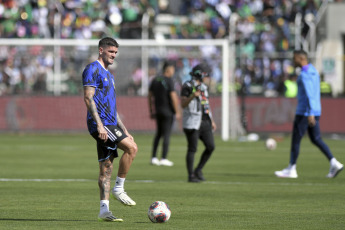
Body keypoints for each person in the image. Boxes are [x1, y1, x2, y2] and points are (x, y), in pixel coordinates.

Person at [82, 37, 138, 222]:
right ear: (101, 50)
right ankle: (119, 188)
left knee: (106, 168)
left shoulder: (109, 75)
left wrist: (125, 130)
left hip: (111, 123)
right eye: (111, 52)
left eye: (115, 52)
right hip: (102, 124)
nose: (114, 55)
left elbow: (112, 108)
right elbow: (88, 98)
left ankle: (104, 211)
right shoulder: (92, 69)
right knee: (132, 148)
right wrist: (99, 125)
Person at [275, 50, 343, 179]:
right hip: (316, 110)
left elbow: (309, 94)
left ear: (301, 59)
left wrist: (310, 113)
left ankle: (292, 168)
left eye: (294, 58)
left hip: (305, 111)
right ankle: (334, 162)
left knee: (296, 139)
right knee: (316, 139)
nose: (293, 61)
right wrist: (313, 111)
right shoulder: (314, 71)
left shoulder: (305, 74)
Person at [181, 63, 216, 182]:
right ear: (200, 75)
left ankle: (198, 169)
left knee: (211, 146)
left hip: (205, 121)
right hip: (192, 122)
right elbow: (183, 104)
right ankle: (191, 175)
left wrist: (211, 120)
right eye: (206, 75)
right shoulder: (187, 85)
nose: (207, 78)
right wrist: (192, 96)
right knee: (192, 149)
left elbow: (205, 104)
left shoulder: (204, 88)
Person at [148, 61, 181, 166]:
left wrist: (151, 110)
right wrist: (177, 111)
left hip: (158, 110)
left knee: (158, 134)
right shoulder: (169, 81)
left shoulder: (155, 79)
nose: (173, 71)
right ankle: (163, 158)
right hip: (168, 111)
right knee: (166, 134)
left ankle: (153, 157)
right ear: (169, 69)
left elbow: (149, 96)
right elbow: (173, 97)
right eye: (173, 69)